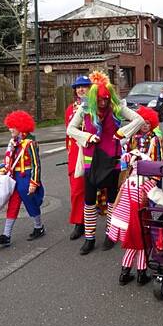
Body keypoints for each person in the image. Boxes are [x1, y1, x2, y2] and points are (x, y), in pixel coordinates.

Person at [66, 71, 144, 255]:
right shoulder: (85, 108)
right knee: (89, 200)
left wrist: (121, 134)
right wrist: (86, 136)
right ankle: (90, 238)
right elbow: (71, 129)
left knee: (111, 200)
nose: (103, 103)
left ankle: (111, 234)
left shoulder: (116, 107)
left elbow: (139, 120)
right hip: (90, 161)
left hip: (112, 161)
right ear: (94, 98)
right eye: (100, 100)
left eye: (106, 100)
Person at [109, 150, 163, 286]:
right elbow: (162, 198)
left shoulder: (127, 181)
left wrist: (111, 214)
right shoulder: (144, 183)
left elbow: (118, 199)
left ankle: (124, 274)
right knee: (143, 246)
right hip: (137, 219)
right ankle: (141, 274)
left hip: (122, 219)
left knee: (131, 246)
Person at [0, 110, 44, 246]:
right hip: (15, 177)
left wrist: (34, 182)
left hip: (26, 177)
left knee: (30, 203)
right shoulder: (13, 142)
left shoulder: (30, 143)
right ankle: (6, 235)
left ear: (21, 127)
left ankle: (39, 227)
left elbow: (36, 164)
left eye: (13, 127)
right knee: (13, 205)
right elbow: (8, 159)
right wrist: (3, 169)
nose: (10, 129)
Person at [64, 75, 92, 240]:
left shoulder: (97, 106)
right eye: (78, 87)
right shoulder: (70, 109)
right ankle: (79, 223)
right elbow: (68, 135)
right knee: (77, 190)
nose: (81, 89)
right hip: (77, 153)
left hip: (94, 151)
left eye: (84, 86)